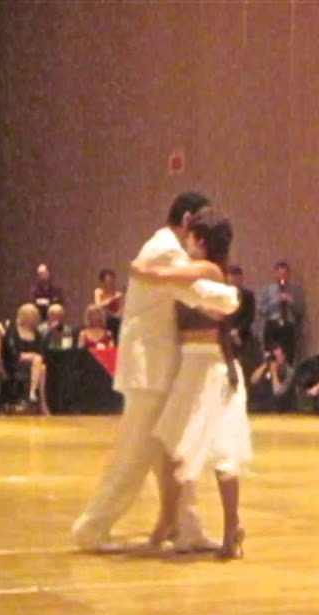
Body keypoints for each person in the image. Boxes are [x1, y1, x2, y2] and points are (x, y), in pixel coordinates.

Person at [70, 191, 241, 553]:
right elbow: (197, 293)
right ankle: (92, 528)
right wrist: (230, 299)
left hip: (156, 366)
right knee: (135, 455)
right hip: (151, 369)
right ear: (186, 221)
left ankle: (187, 528)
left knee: (173, 451)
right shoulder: (168, 251)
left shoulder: (161, 245)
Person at [131, 207, 251, 560]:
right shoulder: (201, 274)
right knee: (172, 447)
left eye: (192, 237)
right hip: (193, 367)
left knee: (223, 454)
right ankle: (171, 521)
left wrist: (143, 270)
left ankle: (230, 530)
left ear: (201, 240)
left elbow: (167, 275)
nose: (187, 242)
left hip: (211, 369)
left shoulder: (209, 269)